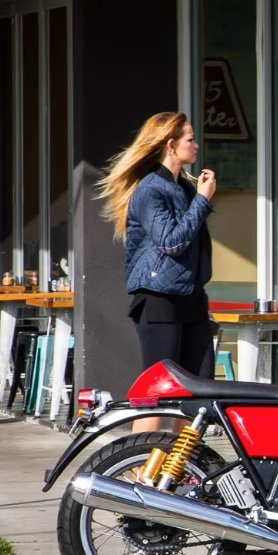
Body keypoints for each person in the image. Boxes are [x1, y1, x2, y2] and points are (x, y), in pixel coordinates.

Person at [96, 112, 217, 430]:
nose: (196, 145)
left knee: (197, 395)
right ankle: (139, 472)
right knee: (157, 393)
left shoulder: (184, 188)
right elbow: (171, 242)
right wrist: (203, 201)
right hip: (158, 300)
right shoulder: (151, 189)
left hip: (191, 298)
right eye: (190, 139)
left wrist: (198, 198)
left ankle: (187, 471)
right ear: (171, 145)